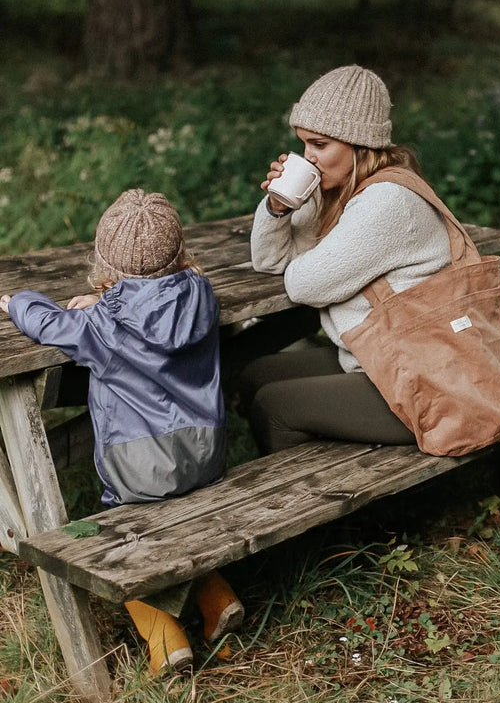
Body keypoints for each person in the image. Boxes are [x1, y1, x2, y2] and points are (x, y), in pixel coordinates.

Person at [0, 189, 244, 673]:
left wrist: (18, 300)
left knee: (122, 542)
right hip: (207, 452)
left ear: (107, 265)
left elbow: (48, 323)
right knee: (178, 516)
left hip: (141, 471)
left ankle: (165, 638)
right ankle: (216, 597)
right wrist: (110, 299)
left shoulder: (101, 325)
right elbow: (159, 302)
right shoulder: (201, 295)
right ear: (179, 253)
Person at [241, 64, 456, 454]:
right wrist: (278, 206)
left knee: (274, 406)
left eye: (320, 146)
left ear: (360, 144)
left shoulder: (389, 201)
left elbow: (304, 283)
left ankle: (306, 504)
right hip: (375, 359)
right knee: (254, 374)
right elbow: (270, 261)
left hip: (422, 381)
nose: (308, 158)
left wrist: (307, 256)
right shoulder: (338, 192)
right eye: (303, 144)